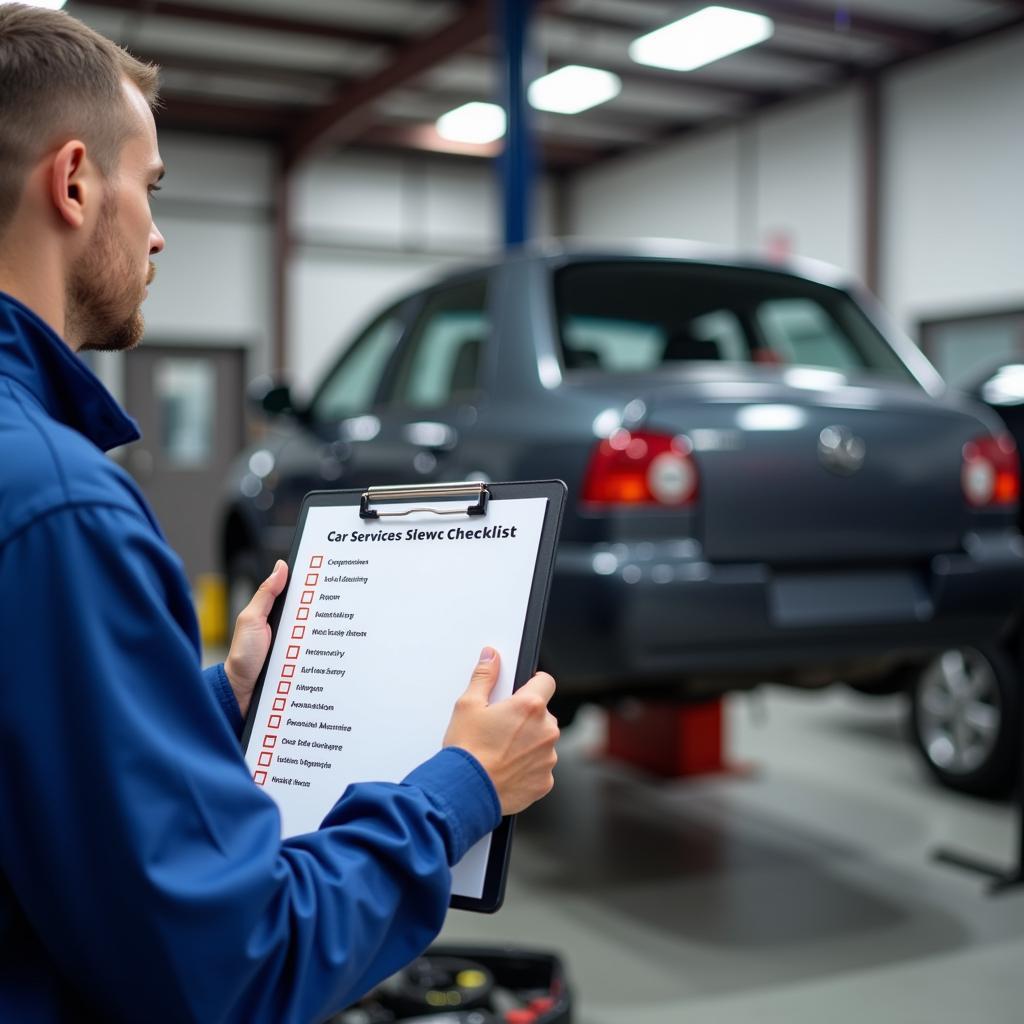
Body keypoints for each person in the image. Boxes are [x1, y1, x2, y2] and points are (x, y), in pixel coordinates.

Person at [0, 5, 560, 1022]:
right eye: (151, 186)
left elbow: (38, 772)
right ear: (76, 181)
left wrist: (221, 695)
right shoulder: (63, 505)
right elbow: (229, 965)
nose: (159, 230)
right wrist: (463, 788)